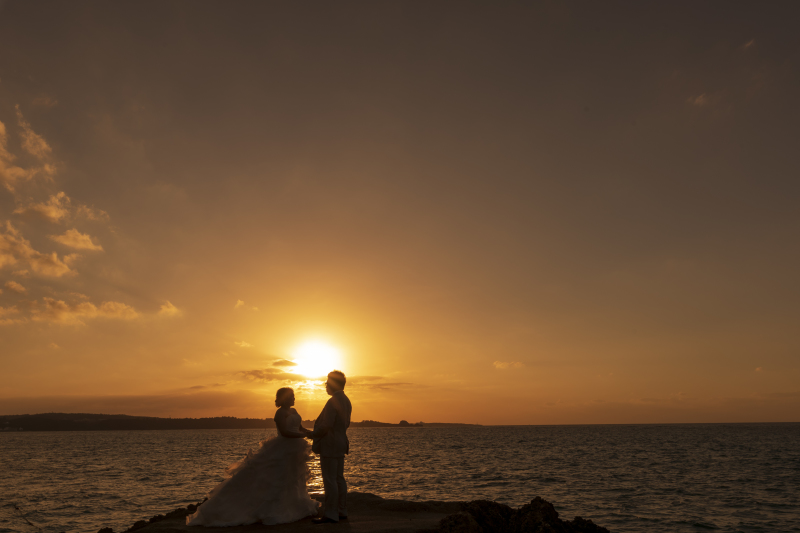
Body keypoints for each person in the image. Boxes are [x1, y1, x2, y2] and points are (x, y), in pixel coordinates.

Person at [185, 388, 319, 526]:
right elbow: (284, 432)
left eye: (294, 396)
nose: (294, 398)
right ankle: (273, 509)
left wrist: (311, 433)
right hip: (283, 448)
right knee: (279, 479)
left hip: (295, 450)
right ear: (284, 398)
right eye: (291, 396)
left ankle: (293, 506)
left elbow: (300, 428)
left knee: (293, 478)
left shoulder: (294, 411)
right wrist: (303, 436)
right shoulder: (279, 413)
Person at [307, 370, 352, 524]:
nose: (325, 386)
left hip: (330, 445)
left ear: (333, 384)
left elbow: (326, 425)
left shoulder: (333, 401)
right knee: (339, 478)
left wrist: (312, 434)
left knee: (330, 480)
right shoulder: (347, 401)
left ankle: (331, 514)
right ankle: (342, 510)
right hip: (341, 443)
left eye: (327, 383)